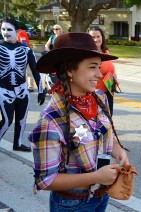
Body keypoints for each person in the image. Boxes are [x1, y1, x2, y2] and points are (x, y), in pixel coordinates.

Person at [29, 33, 129, 211]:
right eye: (92, 67)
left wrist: (118, 150)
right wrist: (95, 177)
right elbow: (46, 181)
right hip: (71, 204)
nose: (99, 74)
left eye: (99, 67)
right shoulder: (50, 120)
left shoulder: (99, 98)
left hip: (101, 196)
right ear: (70, 70)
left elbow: (105, 133)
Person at [0, 17, 45, 152]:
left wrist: (41, 90)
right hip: (4, 90)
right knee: (7, 120)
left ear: (17, 31)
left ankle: (17, 144)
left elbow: (36, 71)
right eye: (3, 29)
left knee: (21, 120)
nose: (5, 32)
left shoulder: (26, 50)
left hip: (22, 90)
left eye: (9, 29)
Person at [88, 26, 118, 116]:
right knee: (99, 120)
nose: (96, 39)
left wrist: (114, 75)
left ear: (102, 37)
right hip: (96, 92)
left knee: (109, 117)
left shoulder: (105, 51)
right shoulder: (88, 54)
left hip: (108, 90)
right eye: (93, 37)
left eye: (98, 36)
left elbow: (110, 67)